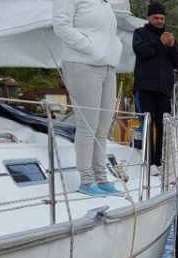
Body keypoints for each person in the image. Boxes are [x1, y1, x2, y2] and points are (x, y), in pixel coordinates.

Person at [53, 0, 123, 197]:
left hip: (107, 65)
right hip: (82, 62)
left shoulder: (104, 2)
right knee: (88, 125)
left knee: (103, 127)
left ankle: (101, 178)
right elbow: (61, 25)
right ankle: (86, 179)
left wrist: (111, 49)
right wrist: (90, 46)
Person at [132, 3, 178, 177]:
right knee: (147, 124)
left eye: (162, 18)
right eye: (156, 18)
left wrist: (171, 47)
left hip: (164, 90)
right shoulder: (140, 34)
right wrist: (160, 43)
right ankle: (149, 162)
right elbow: (141, 51)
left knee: (163, 126)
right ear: (149, 18)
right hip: (145, 87)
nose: (159, 21)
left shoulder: (170, 38)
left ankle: (159, 161)